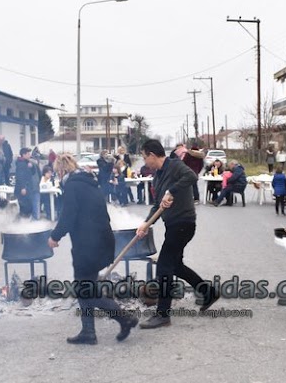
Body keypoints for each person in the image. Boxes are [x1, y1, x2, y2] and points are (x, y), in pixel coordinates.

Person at [48, 154, 139, 345]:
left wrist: (55, 236)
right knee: (85, 286)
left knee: (85, 289)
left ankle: (124, 318)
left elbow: (68, 215)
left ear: (62, 170)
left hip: (88, 245)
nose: (58, 175)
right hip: (100, 241)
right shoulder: (89, 182)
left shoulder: (73, 185)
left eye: (57, 172)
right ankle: (88, 331)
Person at [136, 139, 218, 329]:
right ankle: (208, 292)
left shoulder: (174, 166)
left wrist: (171, 191)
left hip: (183, 224)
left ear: (152, 155)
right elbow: (157, 206)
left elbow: (192, 176)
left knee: (164, 266)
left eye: (144, 157)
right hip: (172, 225)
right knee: (176, 266)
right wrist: (146, 224)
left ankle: (163, 315)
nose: (144, 161)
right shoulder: (157, 177)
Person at [15, 147, 40, 219]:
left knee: (29, 206)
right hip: (23, 188)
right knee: (24, 206)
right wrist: (23, 187)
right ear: (23, 155)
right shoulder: (20, 163)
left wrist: (32, 167)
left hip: (28, 188)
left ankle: (26, 221)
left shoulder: (28, 162)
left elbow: (33, 173)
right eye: (28, 154)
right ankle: (22, 221)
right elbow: (20, 176)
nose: (30, 155)